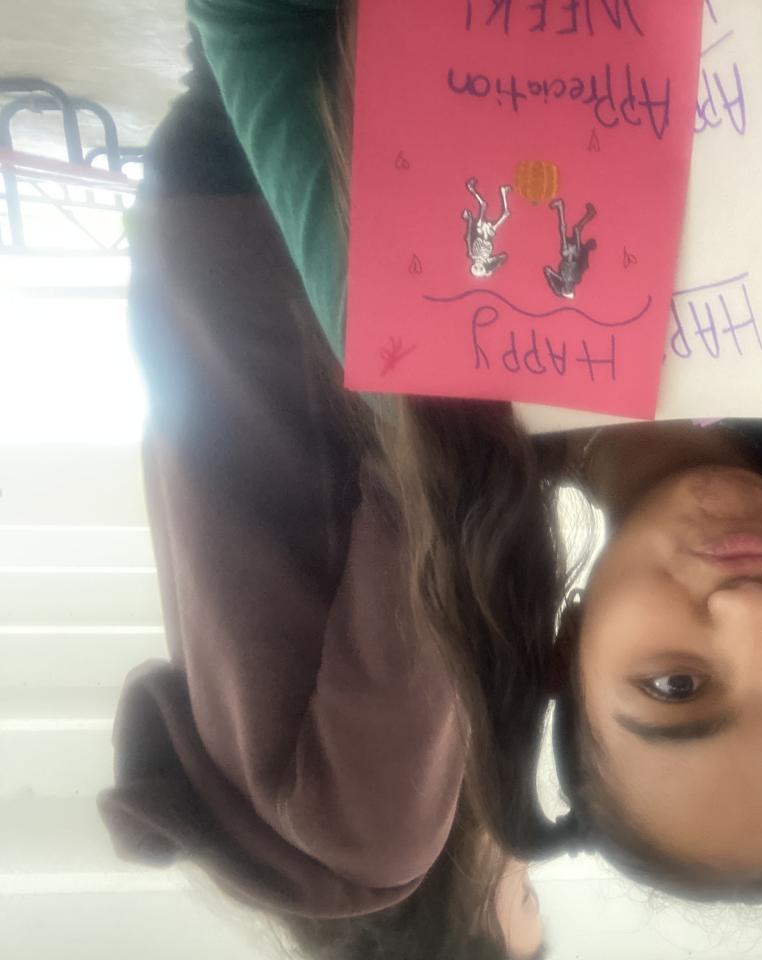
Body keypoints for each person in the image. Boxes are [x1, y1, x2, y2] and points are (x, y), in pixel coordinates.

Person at [186, 0, 762, 898]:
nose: (751, 614)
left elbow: (253, 26)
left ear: (567, 652)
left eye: (677, 686)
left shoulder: (440, 396)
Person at [98, 34, 545, 958]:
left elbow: (420, 517)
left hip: (301, 264)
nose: (528, 874)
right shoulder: (283, 841)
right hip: (217, 266)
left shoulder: (379, 836)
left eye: (531, 911)